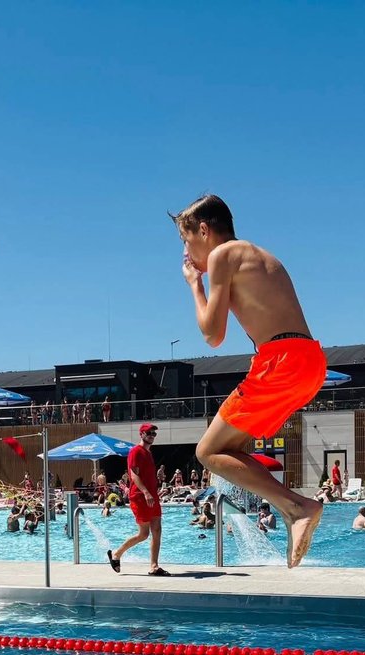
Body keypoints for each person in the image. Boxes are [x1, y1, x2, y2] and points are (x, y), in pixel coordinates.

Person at [174, 194, 326, 567]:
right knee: (232, 449)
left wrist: (194, 284)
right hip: (308, 361)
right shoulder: (259, 256)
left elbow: (213, 334)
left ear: (204, 231)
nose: (187, 252)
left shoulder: (223, 255)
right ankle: (294, 510)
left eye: (186, 241)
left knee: (207, 452)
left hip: (281, 362)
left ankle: (298, 508)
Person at [108, 422, 168, 576]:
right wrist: (146, 493)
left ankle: (154, 566)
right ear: (141, 434)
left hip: (151, 495)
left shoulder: (148, 453)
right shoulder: (136, 451)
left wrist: (157, 483)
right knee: (144, 534)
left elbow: (147, 476)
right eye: (149, 433)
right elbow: (134, 475)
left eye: (154, 434)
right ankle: (116, 554)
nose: (152, 436)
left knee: (157, 529)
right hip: (140, 496)